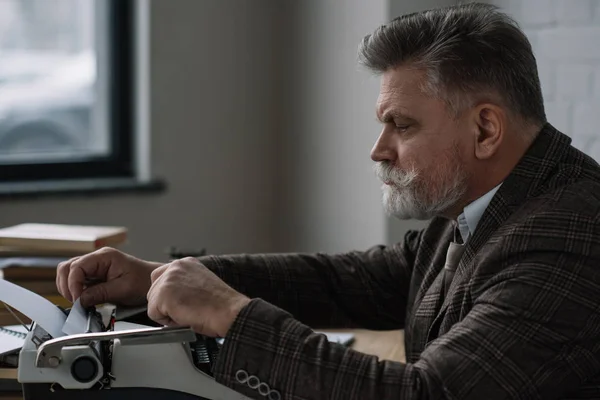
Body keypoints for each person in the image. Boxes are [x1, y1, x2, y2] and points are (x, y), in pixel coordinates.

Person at [57, 3, 600, 399]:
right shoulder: (487, 203)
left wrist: (232, 315)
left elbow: (428, 395)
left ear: (485, 129)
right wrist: (162, 276)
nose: (378, 150)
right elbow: (358, 281)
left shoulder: (565, 237)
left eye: (401, 125)